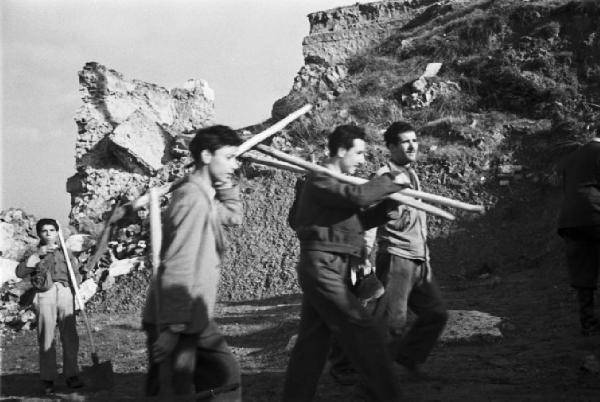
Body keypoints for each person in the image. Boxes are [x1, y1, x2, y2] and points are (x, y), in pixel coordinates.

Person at [282, 124, 408, 401]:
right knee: (363, 330)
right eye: (359, 153)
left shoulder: (338, 184)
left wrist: (387, 210)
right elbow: (359, 197)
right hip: (322, 266)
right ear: (340, 151)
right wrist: (392, 180)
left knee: (312, 344)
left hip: (334, 266)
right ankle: (386, 394)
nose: (363, 160)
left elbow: (356, 222)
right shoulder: (321, 178)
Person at [142, 125, 243, 399]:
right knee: (209, 382)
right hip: (177, 315)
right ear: (207, 156)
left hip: (193, 315)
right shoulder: (192, 199)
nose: (236, 164)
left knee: (187, 386)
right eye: (230, 157)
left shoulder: (204, 195)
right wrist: (173, 328)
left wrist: (223, 180)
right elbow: (179, 263)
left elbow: (233, 216)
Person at [369, 121, 448, 377]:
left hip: (419, 259)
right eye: (405, 141)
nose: (412, 145)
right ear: (391, 147)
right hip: (396, 257)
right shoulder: (384, 177)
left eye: (415, 140)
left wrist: (425, 257)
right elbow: (369, 217)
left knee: (436, 314)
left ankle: (406, 359)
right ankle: (372, 376)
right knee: (391, 323)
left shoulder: (411, 175)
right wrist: (364, 254)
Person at [16, 218, 84, 395]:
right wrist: (39, 254)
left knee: (70, 335)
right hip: (44, 293)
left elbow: (76, 273)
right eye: (44, 231)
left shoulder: (66, 252)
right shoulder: (34, 251)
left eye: (52, 230)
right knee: (46, 335)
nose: (48, 233)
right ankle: (48, 378)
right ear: (39, 233)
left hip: (65, 292)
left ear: (57, 232)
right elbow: (20, 272)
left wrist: (75, 288)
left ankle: (71, 374)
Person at [557, 126, 600, 336]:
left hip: (570, 220)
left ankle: (588, 324)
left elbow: (568, 190)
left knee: (583, 272)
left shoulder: (572, 157)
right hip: (595, 214)